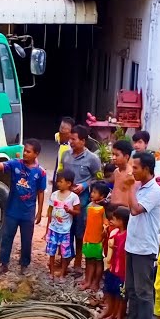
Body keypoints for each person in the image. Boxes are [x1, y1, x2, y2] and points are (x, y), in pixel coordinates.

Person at [114, 151, 160, 319]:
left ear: (146, 169)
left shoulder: (153, 191)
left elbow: (135, 209)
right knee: (131, 289)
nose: (132, 171)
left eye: (135, 168)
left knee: (144, 291)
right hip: (132, 245)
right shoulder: (141, 187)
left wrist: (132, 189)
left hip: (145, 248)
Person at [0, 140, 45, 274]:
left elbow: (41, 193)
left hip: (28, 213)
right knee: (7, 238)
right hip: (12, 210)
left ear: (36, 154)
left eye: (28, 151)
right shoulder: (15, 164)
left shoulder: (40, 173)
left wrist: (39, 212)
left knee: (26, 240)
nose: (25, 153)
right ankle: (3, 264)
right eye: (24, 150)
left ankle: (24, 265)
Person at [60, 125, 102, 274]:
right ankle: (65, 258)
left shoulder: (92, 159)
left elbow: (98, 178)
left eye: (74, 139)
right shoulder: (65, 155)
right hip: (65, 198)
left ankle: (78, 261)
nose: (71, 141)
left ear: (83, 141)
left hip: (82, 199)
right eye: (70, 138)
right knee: (65, 230)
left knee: (79, 231)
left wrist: (84, 185)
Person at [45, 170, 80, 279]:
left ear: (69, 183)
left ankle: (62, 274)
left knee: (65, 253)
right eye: (57, 181)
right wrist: (48, 226)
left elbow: (77, 211)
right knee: (51, 251)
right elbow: (50, 210)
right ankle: (51, 272)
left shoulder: (73, 197)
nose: (58, 183)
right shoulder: (54, 195)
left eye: (60, 182)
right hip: (53, 228)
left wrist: (70, 210)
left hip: (65, 230)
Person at [100, 207, 129, 319]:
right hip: (112, 268)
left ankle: (119, 317)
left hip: (122, 270)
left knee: (120, 295)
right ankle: (110, 312)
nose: (112, 220)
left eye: (115, 219)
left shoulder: (127, 235)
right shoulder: (115, 233)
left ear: (122, 221)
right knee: (110, 290)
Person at [81, 181, 109, 292]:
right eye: (92, 192)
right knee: (88, 260)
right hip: (88, 239)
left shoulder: (102, 209)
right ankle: (87, 280)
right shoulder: (89, 206)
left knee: (97, 262)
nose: (92, 194)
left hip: (98, 241)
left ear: (102, 196)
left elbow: (105, 224)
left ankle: (95, 282)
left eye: (95, 192)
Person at [52, 116, 74, 181]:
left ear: (70, 132)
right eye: (61, 127)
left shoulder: (70, 147)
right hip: (57, 172)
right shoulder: (58, 136)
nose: (62, 130)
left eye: (64, 129)